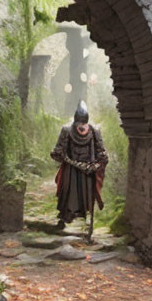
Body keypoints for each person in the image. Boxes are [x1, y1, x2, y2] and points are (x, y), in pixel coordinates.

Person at [51, 100, 108, 240]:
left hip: (88, 171)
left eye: (84, 123)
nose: (82, 126)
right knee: (68, 194)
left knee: (87, 196)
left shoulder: (94, 131)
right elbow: (57, 151)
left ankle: (87, 220)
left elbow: (102, 153)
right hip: (71, 170)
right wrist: (65, 158)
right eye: (79, 122)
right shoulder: (66, 130)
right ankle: (64, 218)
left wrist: (96, 165)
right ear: (76, 121)